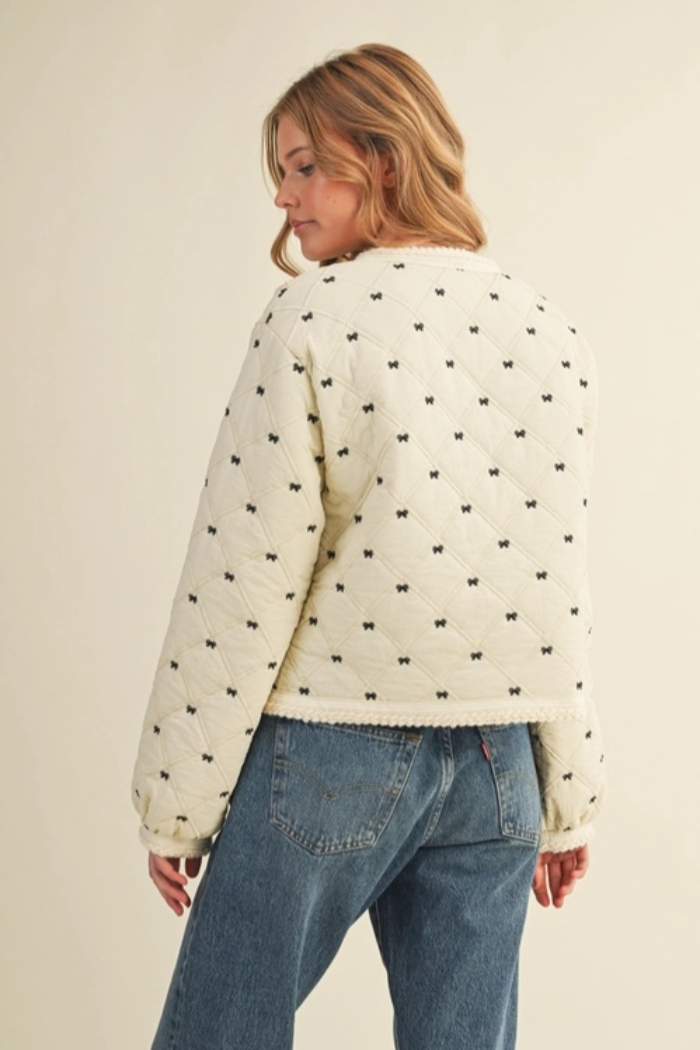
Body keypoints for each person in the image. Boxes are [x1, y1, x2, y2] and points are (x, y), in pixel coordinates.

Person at [132, 42, 606, 1050]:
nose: (283, 197)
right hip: (501, 769)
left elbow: (240, 578)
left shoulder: (310, 318)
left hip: (331, 749)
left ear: (383, 158)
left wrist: (176, 803)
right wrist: (567, 799)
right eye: (281, 171)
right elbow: (548, 585)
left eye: (306, 166)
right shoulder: (546, 328)